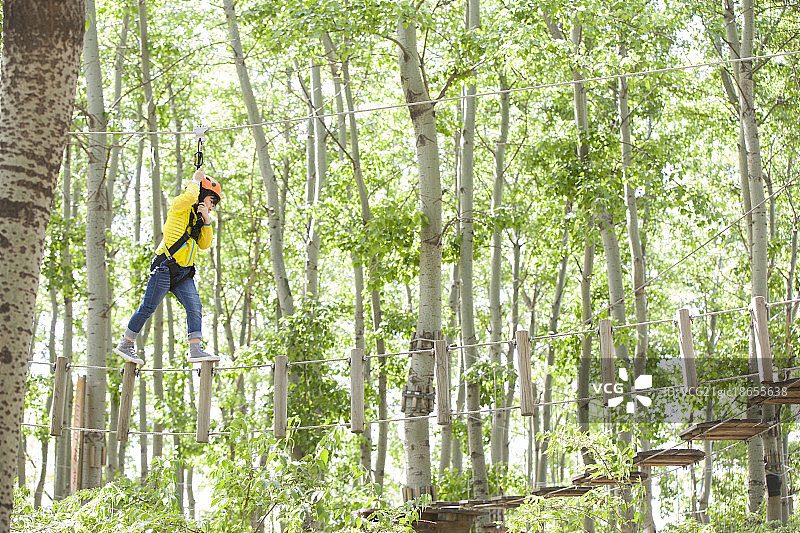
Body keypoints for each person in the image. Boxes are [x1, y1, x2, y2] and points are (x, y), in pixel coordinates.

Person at [114, 169, 222, 364]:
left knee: (195, 307)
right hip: (165, 267)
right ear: (202, 196)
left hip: (182, 274)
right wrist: (195, 180)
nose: (212, 206)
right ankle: (126, 344)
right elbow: (189, 197)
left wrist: (206, 220)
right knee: (148, 307)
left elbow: (205, 244)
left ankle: (195, 349)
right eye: (211, 201)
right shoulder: (179, 206)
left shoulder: (198, 221)